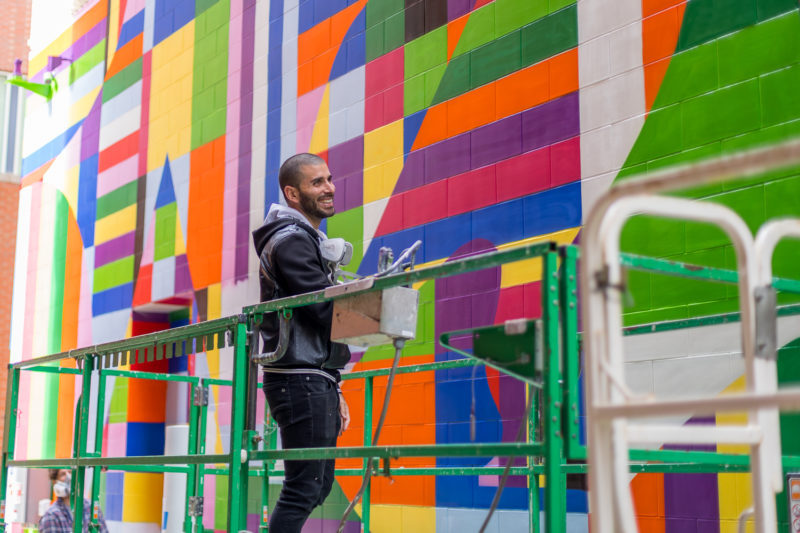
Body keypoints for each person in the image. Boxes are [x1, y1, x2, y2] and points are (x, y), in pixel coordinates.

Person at [252, 153, 352, 533]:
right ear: (292, 194)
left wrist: (334, 382)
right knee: (303, 488)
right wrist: (369, 306)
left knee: (316, 485)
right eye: (317, 183)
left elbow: (319, 314)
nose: (329, 188)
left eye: (329, 178)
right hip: (298, 378)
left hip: (310, 376)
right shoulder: (291, 241)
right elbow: (323, 309)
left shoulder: (302, 238)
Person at [38, 469, 108, 533]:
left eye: (71, 473)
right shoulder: (51, 516)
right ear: (54, 481)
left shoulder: (92, 507)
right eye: (63, 474)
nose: (69, 477)